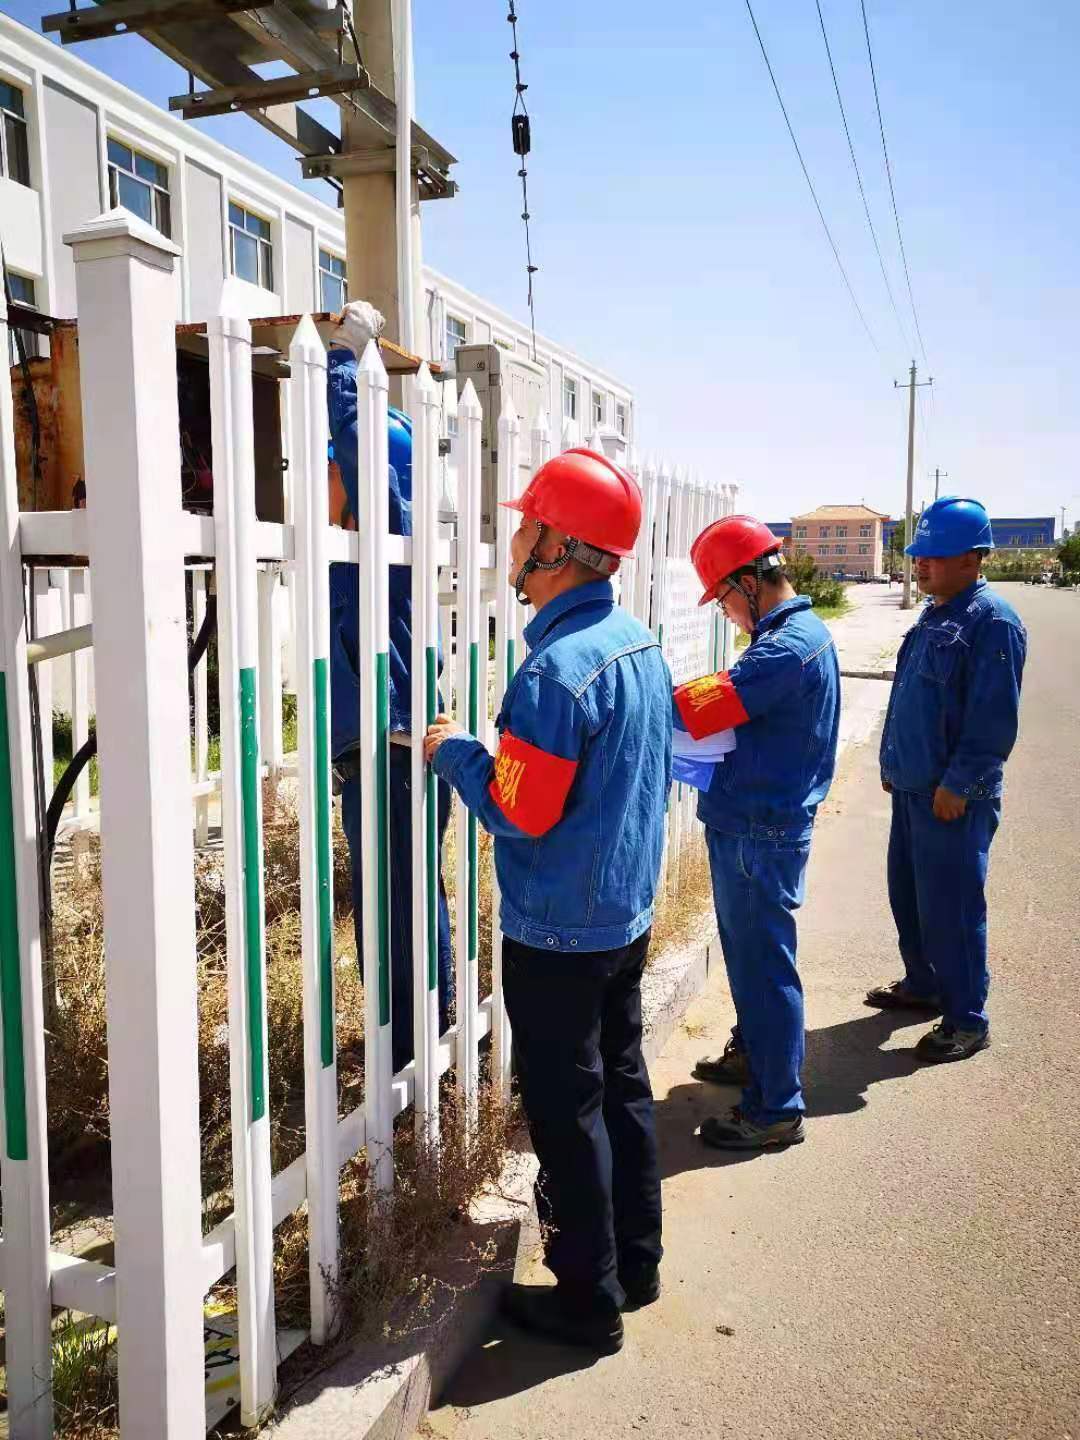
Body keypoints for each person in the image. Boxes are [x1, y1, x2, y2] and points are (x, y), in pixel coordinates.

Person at [424, 450, 671, 1355]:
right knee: (622, 1087)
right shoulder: (637, 642)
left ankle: (586, 1301)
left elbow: (519, 811)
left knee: (567, 1115)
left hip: (559, 933)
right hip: (622, 916)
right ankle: (635, 1265)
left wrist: (454, 752)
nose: (514, 538)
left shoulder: (555, 672)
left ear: (558, 548)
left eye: (526, 526)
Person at [675, 516, 839, 1149]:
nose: (723, 611)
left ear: (749, 582)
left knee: (764, 967)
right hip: (759, 823)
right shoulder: (800, 635)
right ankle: (756, 1056)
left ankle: (774, 1109)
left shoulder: (783, 650)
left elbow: (700, 707)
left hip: (758, 831)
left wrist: (645, 690)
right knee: (752, 959)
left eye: (723, 597)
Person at [326, 303, 453, 1075]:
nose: (321, 483)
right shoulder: (362, 555)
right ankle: (421, 1036)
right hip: (391, 751)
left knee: (395, 906)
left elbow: (359, 445)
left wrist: (345, 360)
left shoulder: (384, 538)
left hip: (393, 756)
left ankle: (410, 1048)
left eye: (332, 469)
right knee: (403, 900)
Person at [866, 496, 1026, 1062]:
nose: (922, 564)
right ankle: (924, 983)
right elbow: (912, 696)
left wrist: (960, 783)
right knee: (910, 897)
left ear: (973, 558)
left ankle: (966, 1018)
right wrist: (893, 765)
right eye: (920, 555)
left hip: (951, 798)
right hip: (914, 788)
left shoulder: (992, 622)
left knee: (952, 910)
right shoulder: (936, 614)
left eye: (934, 556)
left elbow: (992, 720)